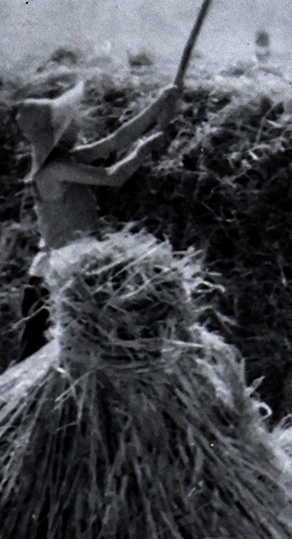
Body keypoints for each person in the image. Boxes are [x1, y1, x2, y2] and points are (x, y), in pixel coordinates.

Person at [13, 79, 181, 355]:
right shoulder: (53, 171)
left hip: (72, 271)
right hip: (50, 280)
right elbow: (113, 177)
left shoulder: (67, 159)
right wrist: (143, 151)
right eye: (68, 123)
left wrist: (159, 105)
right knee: (32, 358)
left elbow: (116, 140)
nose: (76, 125)